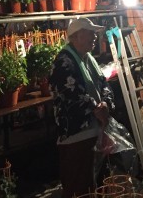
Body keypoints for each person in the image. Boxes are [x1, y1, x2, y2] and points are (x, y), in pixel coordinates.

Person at [50, 18, 114, 197]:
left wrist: (106, 103)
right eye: (90, 32)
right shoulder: (63, 61)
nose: (95, 36)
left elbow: (104, 83)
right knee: (78, 187)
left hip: (94, 131)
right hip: (75, 135)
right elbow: (71, 94)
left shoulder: (88, 58)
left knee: (95, 184)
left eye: (95, 32)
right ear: (76, 36)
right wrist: (97, 108)